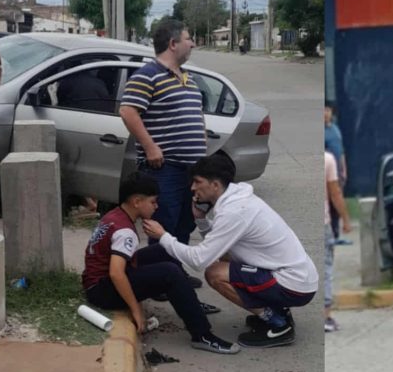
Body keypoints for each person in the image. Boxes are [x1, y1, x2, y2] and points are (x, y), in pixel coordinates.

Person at [143, 155, 318, 348]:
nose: (192, 188)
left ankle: (278, 323)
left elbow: (198, 260)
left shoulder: (234, 212)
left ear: (215, 185)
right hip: (294, 276)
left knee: (214, 273)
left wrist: (163, 236)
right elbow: (218, 247)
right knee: (223, 260)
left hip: (293, 284)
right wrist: (200, 219)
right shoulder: (237, 199)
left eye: (198, 182)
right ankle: (277, 310)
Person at [81, 171, 239, 355]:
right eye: (153, 202)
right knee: (169, 273)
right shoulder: (125, 231)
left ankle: (190, 303)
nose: (156, 207)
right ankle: (202, 335)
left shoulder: (115, 215)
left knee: (166, 248)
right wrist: (136, 309)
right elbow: (116, 273)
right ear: (137, 202)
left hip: (98, 282)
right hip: (102, 291)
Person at [119, 19, 206, 287]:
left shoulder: (188, 79)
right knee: (162, 224)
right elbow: (128, 110)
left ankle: (174, 273)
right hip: (164, 169)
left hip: (190, 171)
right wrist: (150, 146)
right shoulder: (148, 74)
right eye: (189, 38)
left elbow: (197, 118)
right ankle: (159, 279)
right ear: (173, 44)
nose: (192, 43)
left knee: (183, 225)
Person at [324, 151, 352, 333]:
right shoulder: (327, 160)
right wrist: (346, 220)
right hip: (323, 223)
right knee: (326, 268)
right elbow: (335, 193)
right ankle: (325, 316)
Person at [324, 101, 350, 245]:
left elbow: (341, 151)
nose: (326, 113)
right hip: (327, 173)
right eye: (323, 110)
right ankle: (331, 235)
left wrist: (344, 169)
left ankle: (336, 234)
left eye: (328, 110)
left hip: (338, 172)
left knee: (337, 204)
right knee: (330, 202)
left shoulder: (335, 129)